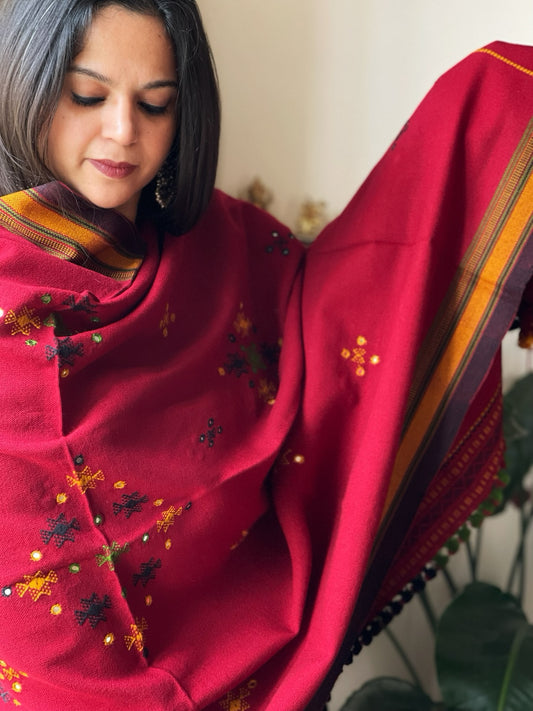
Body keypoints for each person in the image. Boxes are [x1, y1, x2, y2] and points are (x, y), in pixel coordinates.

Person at [0, 1, 531, 710]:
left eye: (156, 106)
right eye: (87, 95)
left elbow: (353, 311)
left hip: (243, 672)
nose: (123, 131)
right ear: (23, 82)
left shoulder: (222, 250)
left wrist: (490, 126)